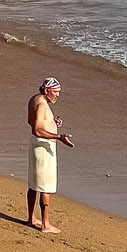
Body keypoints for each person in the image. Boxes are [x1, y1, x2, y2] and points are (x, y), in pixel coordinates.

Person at [26, 78, 74, 232]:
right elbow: (37, 129)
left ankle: (31, 218)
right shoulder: (42, 104)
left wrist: (53, 123)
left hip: (35, 145)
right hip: (43, 147)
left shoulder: (35, 99)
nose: (57, 95)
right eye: (55, 92)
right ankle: (46, 224)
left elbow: (31, 121)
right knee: (45, 186)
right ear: (46, 90)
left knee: (34, 184)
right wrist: (59, 137)